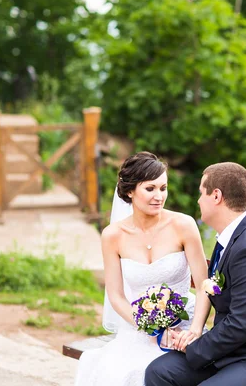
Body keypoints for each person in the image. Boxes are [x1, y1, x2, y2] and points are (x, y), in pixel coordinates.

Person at [145, 162, 246, 386]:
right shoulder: (231, 237)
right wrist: (193, 336)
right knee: (159, 372)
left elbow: (240, 324)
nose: (198, 200)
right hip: (236, 351)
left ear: (216, 196)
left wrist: (193, 347)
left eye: (201, 193)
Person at [74, 151, 210, 386]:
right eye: (150, 189)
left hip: (184, 327)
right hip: (138, 328)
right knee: (117, 373)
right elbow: (116, 295)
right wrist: (149, 328)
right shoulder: (112, 236)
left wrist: (195, 331)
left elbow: (203, 286)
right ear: (130, 191)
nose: (159, 196)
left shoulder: (183, 225)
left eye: (163, 188)